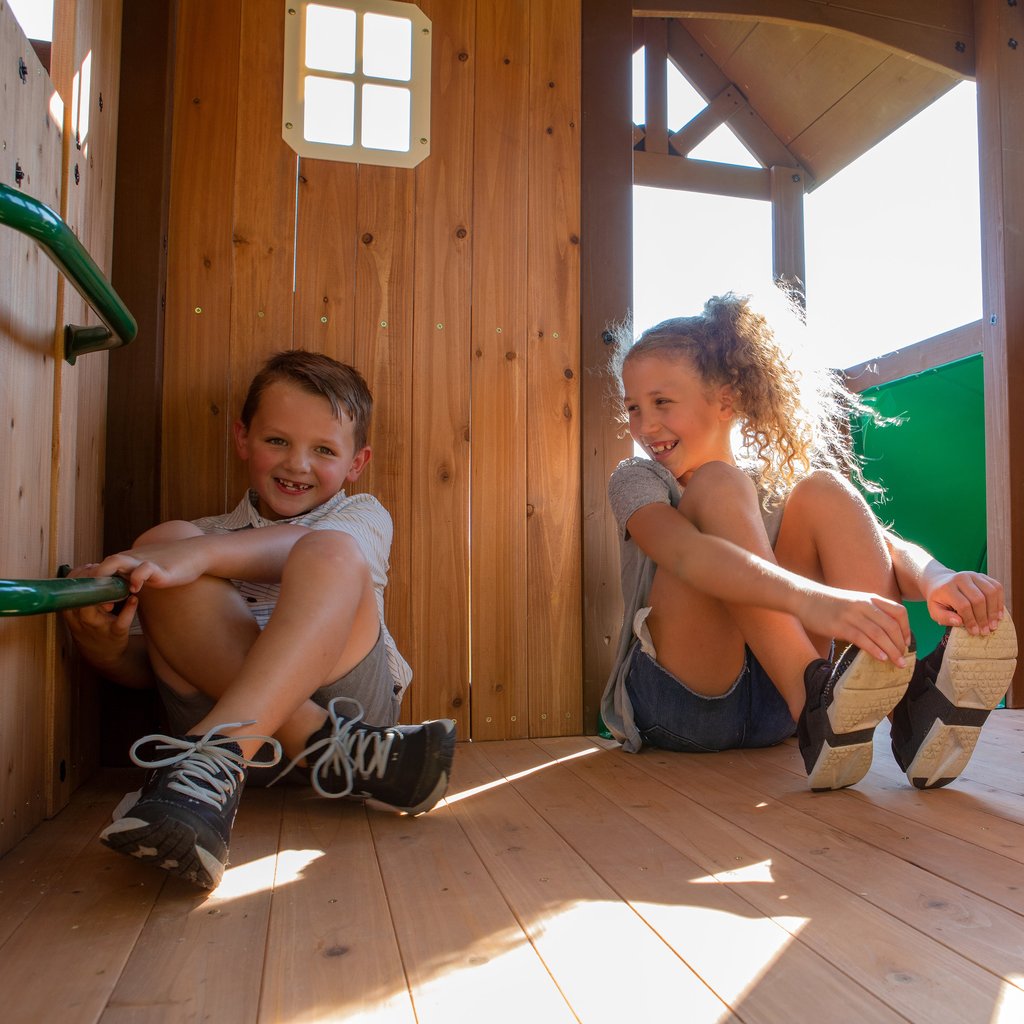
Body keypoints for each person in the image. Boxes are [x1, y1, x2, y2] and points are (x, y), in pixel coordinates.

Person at [63, 351, 456, 889]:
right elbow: (150, 663)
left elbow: (299, 546)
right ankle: (306, 745)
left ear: (356, 463)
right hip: (343, 757)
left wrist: (200, 557)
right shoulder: (198, 539)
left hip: (348, 702)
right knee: (165, 540)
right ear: (243, 438)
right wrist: (104, 648)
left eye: (323, 450)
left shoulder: (360, 515)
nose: (297, 464)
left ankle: (221, 753)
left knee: (330, 553)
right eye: (277, 441)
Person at [602, 292, 1017, 792]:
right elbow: (687, 556)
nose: (646, 426)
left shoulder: (777, 487)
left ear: (726, 400)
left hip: (776, 713)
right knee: (718, 484)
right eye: (633, 407)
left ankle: (905, 718)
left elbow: (887, 546)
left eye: (662, 402)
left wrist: (938, 579)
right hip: (682, 705)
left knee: (824, 488)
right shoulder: (638, 478)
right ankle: (816, 707)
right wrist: (816, 602)